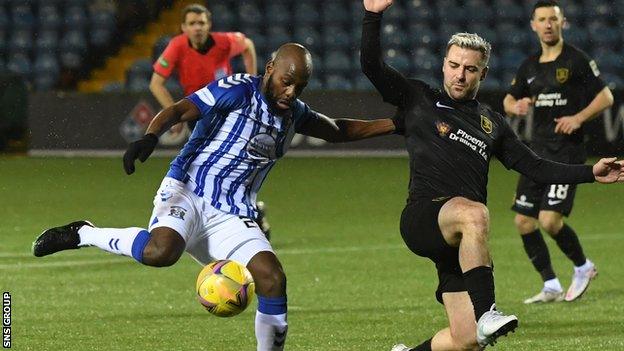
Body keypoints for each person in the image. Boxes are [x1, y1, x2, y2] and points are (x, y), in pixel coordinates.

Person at [32, 43, 400, 351]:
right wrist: (150, 136)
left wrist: (396, 124)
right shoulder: (238, 90)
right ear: (270, 69)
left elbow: (337, 130)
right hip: (188, 189)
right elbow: (180, 108)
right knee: (161, 253)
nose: (291, 93)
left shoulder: (294, 114)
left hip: (232, 214)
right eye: (287, 82)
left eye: (299, 87)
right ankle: (83, 233)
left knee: (272, 279)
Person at [360, 1, 623, 350]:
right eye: (453, 65)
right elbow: (372, 66)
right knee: (475, 213)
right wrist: (373, 15)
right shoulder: (417, 97)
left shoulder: (491, 123)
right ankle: (488, 313)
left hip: (457, 243)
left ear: (483, 74)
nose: (460, 75)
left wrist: (592, 172)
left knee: (466, 341)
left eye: (470, 69)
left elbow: (536, 167)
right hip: (423, 217)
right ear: (443, 65)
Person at [502, 0, 614, 304]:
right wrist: (517, 106)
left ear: (562, 22)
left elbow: (606, 97)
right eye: (542, 19)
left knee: (550, 220)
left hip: (567, 153)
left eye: (553, 18)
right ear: (533, 25)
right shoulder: (529, 65)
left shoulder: (577, 60)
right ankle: (551, 285)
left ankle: (583, 267)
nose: (548, 24)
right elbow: (509, 101)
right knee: (524, 222)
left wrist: (578, 118)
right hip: (537, 153)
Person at [148, 4, 275, 238]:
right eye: (192, 24)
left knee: (225, 169)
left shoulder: (224, 42)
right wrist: (172, 113)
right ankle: (248, 213)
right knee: (202, 169)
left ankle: (243, 215)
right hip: (196, 112)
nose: (197, 28)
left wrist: (252, 78)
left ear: (209, 25)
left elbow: (247, 45)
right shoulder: (176, 46)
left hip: (227, 114)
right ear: (183, 27)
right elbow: (156, 83)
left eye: (202, 23)